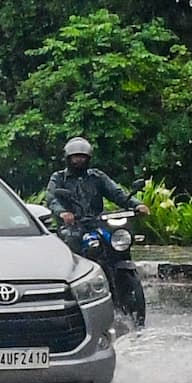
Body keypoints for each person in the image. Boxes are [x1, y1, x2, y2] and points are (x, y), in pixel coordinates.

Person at [42, 138, 147, 326]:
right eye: (75, 157)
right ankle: (74, 289)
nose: (78, 161)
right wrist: (63, 212)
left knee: (117, 241)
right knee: (73, 244)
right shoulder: (58, 178)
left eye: (82, 157)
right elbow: (52, 199)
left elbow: (117, 193)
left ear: (89, 158)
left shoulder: (97, 177)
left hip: (96, 222)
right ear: (67, 158)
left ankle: (122, 289)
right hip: (72, 226)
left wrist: (136, 204)